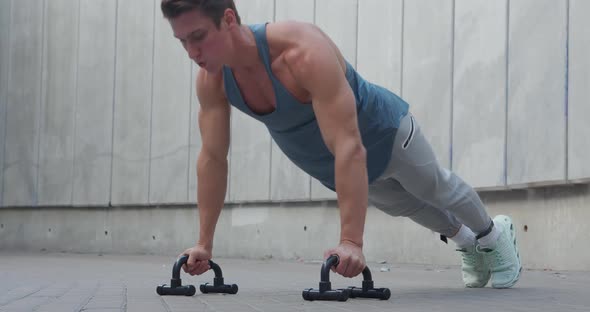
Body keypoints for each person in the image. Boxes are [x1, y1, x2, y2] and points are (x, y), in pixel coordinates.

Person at [160, 0, 522, 288]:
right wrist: (204, 243)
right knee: (411, 208)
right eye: (182, 42)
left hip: (386, 135)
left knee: (434, 188)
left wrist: (352, 241)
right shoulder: (213, 82)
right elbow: (212, 158)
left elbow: (349, 145)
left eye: (198, 36)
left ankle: (493, 236)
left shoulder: (300, 50)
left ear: (228, 19)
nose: (191, 51)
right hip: (335, 168)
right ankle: (468, 246)